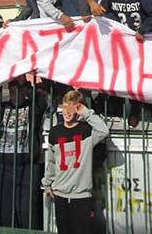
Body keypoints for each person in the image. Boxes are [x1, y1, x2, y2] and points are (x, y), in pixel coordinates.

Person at [0, 77, 47, 229]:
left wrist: (29, 78)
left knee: (27, 212)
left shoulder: (33, 107)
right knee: (3, 212)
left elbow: (42, 98)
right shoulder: (3, 107)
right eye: (12, 90)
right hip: (3, 165)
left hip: (27, 165)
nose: (15, 93)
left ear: (25, 91)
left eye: (19, 89)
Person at [43, 89, 109, 234]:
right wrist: (47, 184)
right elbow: (51, 161)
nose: (67, 111)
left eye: (72, 107)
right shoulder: (55, 132)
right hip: (60, 194)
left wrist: (86, 112)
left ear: (78, 109)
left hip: (81, 196)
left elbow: (103, 131)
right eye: (65, 106)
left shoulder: (86, 131)